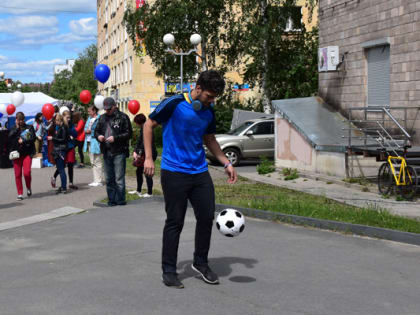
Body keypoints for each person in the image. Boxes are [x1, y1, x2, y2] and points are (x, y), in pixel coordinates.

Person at [143, 70, 238, 289]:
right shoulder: (174, 103)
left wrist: (226, 162)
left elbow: (210, 139)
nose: (211, 101)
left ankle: (200, 263)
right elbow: (149, 125)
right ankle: (168, 270)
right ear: (197, 87)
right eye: (209, 96)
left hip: (199, 172)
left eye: (214, 98)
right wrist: (149, 157)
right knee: (175, 221)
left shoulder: (208, 111)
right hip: (174, 171)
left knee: (206, 217)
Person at [95, 97, 132, 206]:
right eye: (105, 109)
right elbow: (96, 131)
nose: (107, 111)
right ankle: (111, 200)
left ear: (115, 106)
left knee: (119, 177)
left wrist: (115, 138)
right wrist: (99, 136)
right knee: (109, 178)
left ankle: (120, 200)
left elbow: (129, 133)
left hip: (119, 151)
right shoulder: (102, 118)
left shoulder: (123, 117)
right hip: (106, 151)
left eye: (109, 109)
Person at [8, 112, 36, 200]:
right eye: (19, 120)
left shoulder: (29, 127)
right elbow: (9, 138)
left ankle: (28, 187)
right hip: (16, 154)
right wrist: (16, 129)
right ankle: (20, 193)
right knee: (17, 174)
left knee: (27, 173)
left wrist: (23, 140)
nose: (20, 122)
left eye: (22, 120)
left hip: (27, 153)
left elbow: (33, 138)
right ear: (16, 120)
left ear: (24, 119)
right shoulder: (13, 128)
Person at [129, 114, 157, 197]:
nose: (136, 125)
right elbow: (139, 142)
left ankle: (149, 192)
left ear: (139, 122)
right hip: (142, 153)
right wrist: (136, 151)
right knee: (139, 172)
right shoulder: (143, 128)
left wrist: (137, 153)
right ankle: (138, 190)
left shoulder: (147, 129)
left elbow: (145, 143)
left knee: (147, 172)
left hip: (148, 154)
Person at [83, 105, 103, 186]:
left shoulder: (99, 118)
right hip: (89, 141)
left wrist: (90, 131)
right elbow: (85, 128)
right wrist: (86, 130)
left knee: (97, 161)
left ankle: (99, 181)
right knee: (92, 162)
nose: (88, 113)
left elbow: (99, 129)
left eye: (90, 111)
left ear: (94, 111)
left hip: (95, 142)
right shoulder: (89, 119)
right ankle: (95, 180)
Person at [49, 114, 68, 194]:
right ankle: (63, 186)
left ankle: (64, 187)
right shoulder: (60, 127)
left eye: (56, 121)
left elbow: (63, 139)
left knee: (61, 169)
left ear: (59, 120)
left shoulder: (63, 128)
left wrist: (52, 138)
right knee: (60, 168)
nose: (55, 122)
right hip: (59, 149)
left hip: (60, 150)